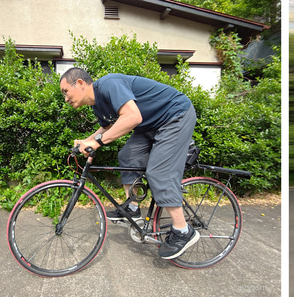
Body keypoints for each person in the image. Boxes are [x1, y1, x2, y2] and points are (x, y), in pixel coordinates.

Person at [59, 67, 198, 259]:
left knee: (159, 173)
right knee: (127, 157)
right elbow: (106, 127)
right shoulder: (97, 105)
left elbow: (133, 116)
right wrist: (87, 140)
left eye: (66, 91)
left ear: (80, 83)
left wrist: (97, 143)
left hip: (175, 115)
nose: (65, 98)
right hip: (149, 125)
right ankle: (132, 208)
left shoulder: (109, 84)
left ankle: (183, 231)